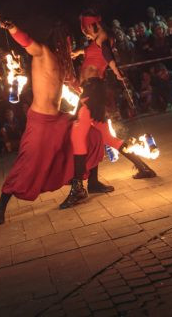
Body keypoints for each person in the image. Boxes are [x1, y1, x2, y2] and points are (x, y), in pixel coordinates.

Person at [0, 18, 105, 225]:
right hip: (40, 122)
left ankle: (92, 183)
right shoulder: (42, 52)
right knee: (27, 164)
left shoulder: (62, 64)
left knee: (93, 135)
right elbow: (26, 42)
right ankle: (1, 206)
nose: (69, 45)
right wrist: (12, 28)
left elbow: (74, 86)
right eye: (66, 41)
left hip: (58, 119)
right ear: (58, 40)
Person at [60, 11, 157, 209]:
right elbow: (89, 53)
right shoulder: (90, 46)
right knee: (108, 138)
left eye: (87, 28)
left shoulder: (104, 39)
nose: (86, 33)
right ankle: (143, 167)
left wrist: (115, 69)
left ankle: (78, 188)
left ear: (95, 25)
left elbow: (106, 53)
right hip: (90, 93)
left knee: (78, 136)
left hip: (93, 93)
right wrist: (77, 53)